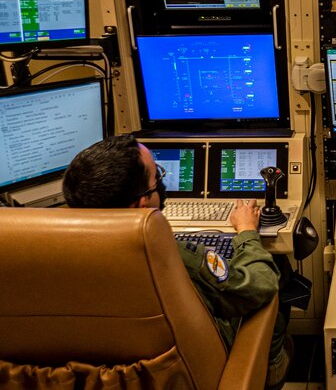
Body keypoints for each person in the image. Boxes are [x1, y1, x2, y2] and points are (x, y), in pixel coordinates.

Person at [62, 134, 292, 390]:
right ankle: (273, 369)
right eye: (157, 177)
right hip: (192, 372)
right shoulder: (173, 257)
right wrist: (247, 232)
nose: (161, 183)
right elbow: (260, 286)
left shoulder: (52, 256)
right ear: (141, 203)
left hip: (102, 378)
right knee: (273, 277)